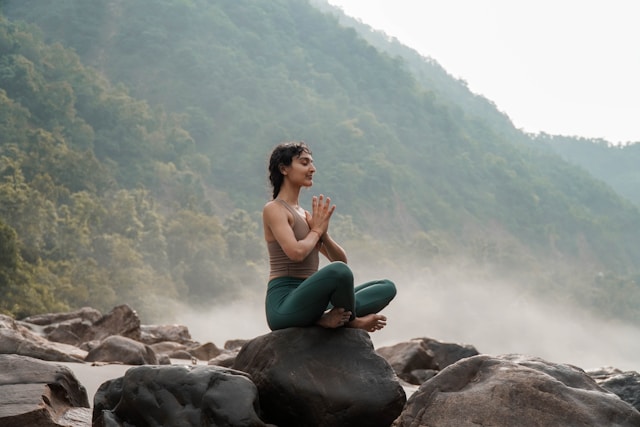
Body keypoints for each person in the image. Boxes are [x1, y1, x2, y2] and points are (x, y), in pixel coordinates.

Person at [263, 141, 397, 332]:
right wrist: (316, 231)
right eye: (304, 163)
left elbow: (340, 260)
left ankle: (324, 318)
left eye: (312, 163)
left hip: (313, 299)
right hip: (284, 306)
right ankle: (351, 321)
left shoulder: (306, 215)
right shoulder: (274, 209)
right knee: (338, 272)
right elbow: (296, 253)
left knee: (386, 286)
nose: (312, 168)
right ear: (284, 169)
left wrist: (323, 234)